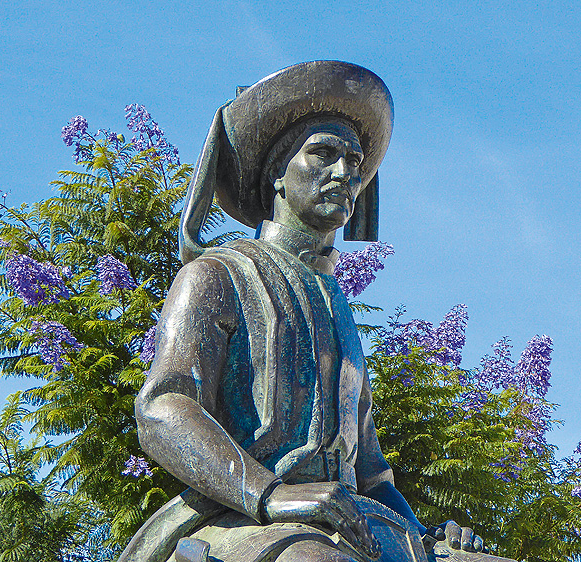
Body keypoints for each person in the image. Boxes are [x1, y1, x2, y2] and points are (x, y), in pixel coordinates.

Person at [122, 61, 487, 562]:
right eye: (323, 154)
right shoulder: (216, 276)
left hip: (351, 520)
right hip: (239, 515)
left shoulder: (336, 305)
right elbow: (162, 409)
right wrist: (271, 493)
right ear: (276, 172)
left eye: (355, 162)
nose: (346, 174)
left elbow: (373, 475)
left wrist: (427, 535)